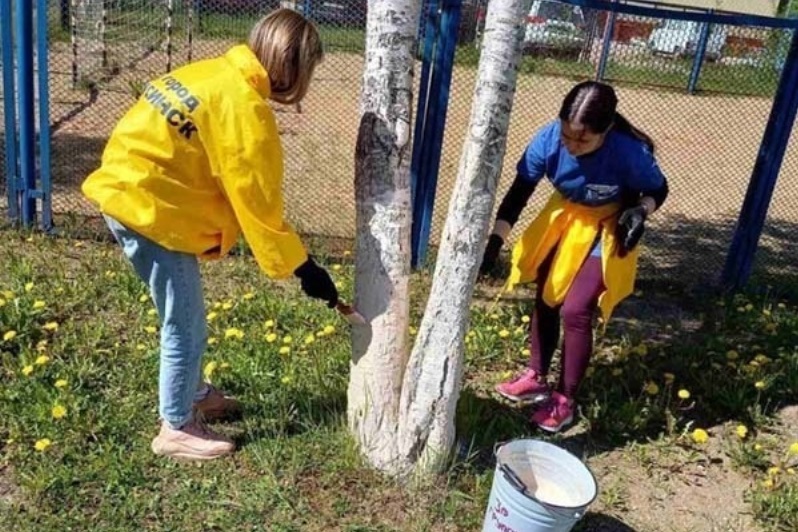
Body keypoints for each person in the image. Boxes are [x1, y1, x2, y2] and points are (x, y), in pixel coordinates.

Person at [81, 9, 338, 460]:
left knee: (185, 312)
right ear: (294, 65)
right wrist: (304, 268)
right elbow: (257, 203)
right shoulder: (246, 110)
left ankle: (195, 392)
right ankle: (176, 425)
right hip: (147, 209)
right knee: (185, 323)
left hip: (127, 188)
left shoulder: (211, 71)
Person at [480, 81, 669, 433]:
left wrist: (641, 212)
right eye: (567, 135)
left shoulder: (627, 152)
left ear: (607, 130)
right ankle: (536, 376)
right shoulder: (548, 139)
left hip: (608, 224)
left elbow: (659, 189)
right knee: (547, 294)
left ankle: (565, 399)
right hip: (566, 218)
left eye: (583, 140)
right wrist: (494, 243)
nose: (571, 144)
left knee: (576, 308)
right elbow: (519, 193)